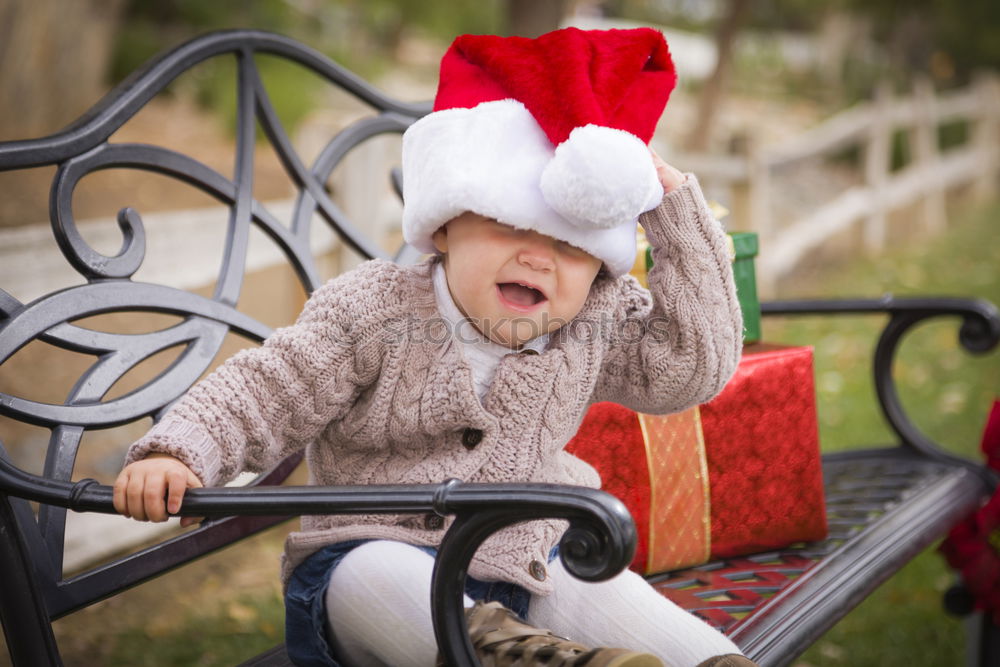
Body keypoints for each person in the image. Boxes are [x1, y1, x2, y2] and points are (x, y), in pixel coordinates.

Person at [113, 26, 754, 667]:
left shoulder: (593, 319)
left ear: (599, 268)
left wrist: (670, 202)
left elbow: (689, 367)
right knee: (375, 576)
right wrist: (180, 451)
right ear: (444, 226)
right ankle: (503, 652)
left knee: (687, 646)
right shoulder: (375, 311)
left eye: (572, 246)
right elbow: (269, 387)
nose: (538, 257)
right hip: (371, 557)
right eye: (509, 225)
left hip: (531, 560)